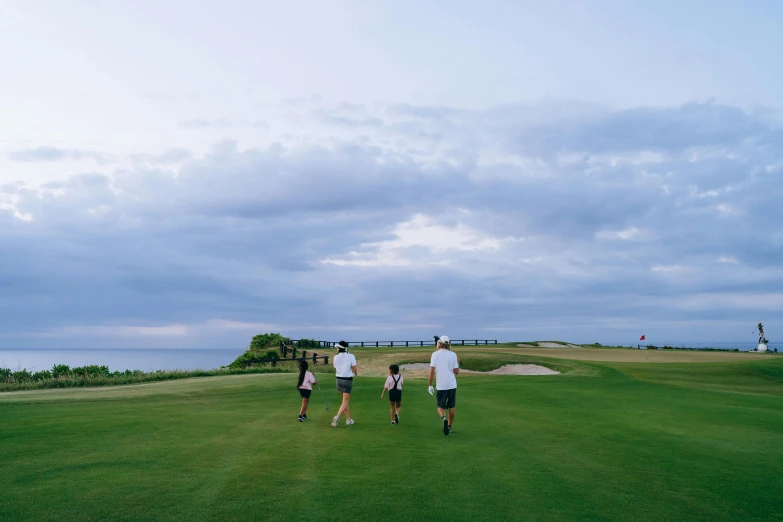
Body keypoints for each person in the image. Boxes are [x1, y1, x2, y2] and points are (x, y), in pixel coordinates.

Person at [428, 335, 459, 436]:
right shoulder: (453, 355)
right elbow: (456, 372)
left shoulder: (435, 354)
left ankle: (443, 418)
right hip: (452, 384)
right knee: (452, 406)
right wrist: (457, 362)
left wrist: (430, 385)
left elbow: (432, 371)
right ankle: (449, 426)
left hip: (441, 385)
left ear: (439, 343)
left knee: (440, 406)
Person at [331, 341, 357, 427]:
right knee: (345, 401)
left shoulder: (335, 357)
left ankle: (348, 419)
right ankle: (337, 417)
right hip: (347, 380)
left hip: (338, 380)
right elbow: (354, 369)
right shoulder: (351, 356)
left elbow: (335, 368)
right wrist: (355, 372)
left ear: (339, 348)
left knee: (344, 401)